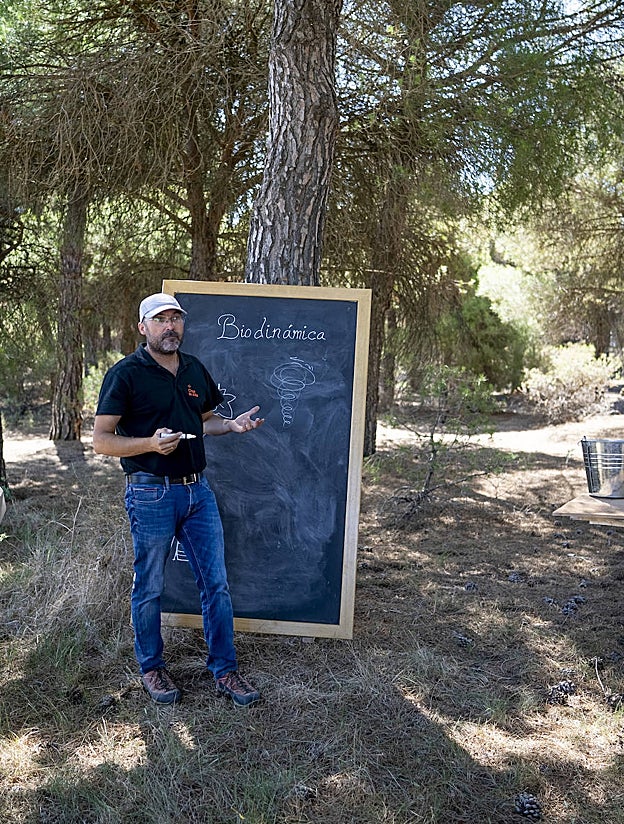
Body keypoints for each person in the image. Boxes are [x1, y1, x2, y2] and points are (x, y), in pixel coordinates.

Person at [92, 292, 264, 707]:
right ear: (143, 327)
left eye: (175, 318)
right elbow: (101, 440)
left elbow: (204, 422)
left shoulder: (193, 369)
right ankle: (152, 667)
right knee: (150, 586)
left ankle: (224, 670)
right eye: (160, 319)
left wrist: (231, 425)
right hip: (150, 492)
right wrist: (150, 443)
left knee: (216, 585)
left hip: (197, 492)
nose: (170, 326)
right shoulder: (125, 374)